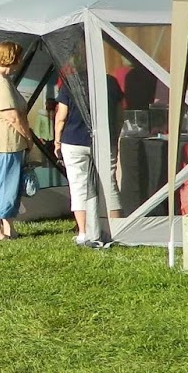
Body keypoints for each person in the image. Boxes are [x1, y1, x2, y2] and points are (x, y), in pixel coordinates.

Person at [0, 41, 33, 241]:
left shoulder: (2, 78)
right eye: (19, 57)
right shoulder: (0, 82)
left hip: (5, 141)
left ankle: (8, 226)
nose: (21, 61)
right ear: (12, 58)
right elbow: (12, 117)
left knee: (8, 185)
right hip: (6, 142)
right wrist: (28, 138)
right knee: (6, 185)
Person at [53, 72, 107, 248]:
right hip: (99, 142)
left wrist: (57, 141)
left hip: (73, 141)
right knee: (107, 186)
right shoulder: (106, 81)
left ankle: (83, 233)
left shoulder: (69, 84)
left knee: (78, 187)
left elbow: (61, 116)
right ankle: (109, 228)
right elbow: (118, 111)